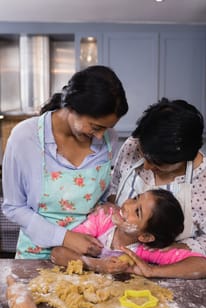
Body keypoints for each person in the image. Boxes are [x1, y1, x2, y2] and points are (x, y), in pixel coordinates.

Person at [2, 65, 128, 259]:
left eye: (107, 128)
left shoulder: (108, 138)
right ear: (72, 107)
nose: (102, 135)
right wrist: (65, 238)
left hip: (90, 253)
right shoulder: (25, 137)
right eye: (96, 127)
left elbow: (102, 197)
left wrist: (109, 207)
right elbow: (14, 207)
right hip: (36, 256)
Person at [108, 98, 206, 259]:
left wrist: (174, 249)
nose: (145, 166)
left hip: (169, 266)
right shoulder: (133, 145)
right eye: (143, 153)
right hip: (114, 255)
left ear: (185, 158)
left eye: (157, 163)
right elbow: (114, 188)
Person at [51, 189, 206, 279]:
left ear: (145, 237)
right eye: (136, 198)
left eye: (137, 212)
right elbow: (57, 253)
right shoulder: (102, 222)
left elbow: (205, 267)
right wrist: (96, 265)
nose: (128, 204)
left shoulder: (146, 250)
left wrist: (152, 271)